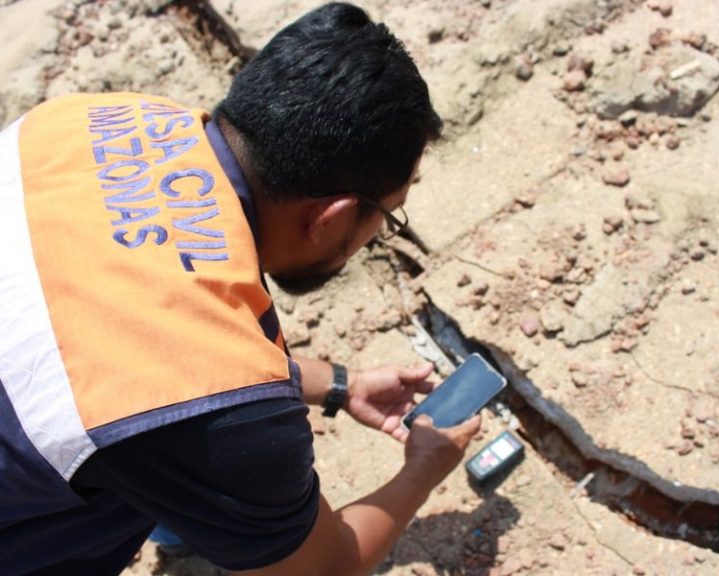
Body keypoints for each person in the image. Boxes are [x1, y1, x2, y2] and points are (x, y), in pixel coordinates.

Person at [0, 3, 481, 575]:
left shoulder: (81, 119)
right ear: (330, 217)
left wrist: (336, 385)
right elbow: (327, 567)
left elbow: (117, 337)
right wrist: (422, 471)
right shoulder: (218, 416)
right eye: (387, 216)